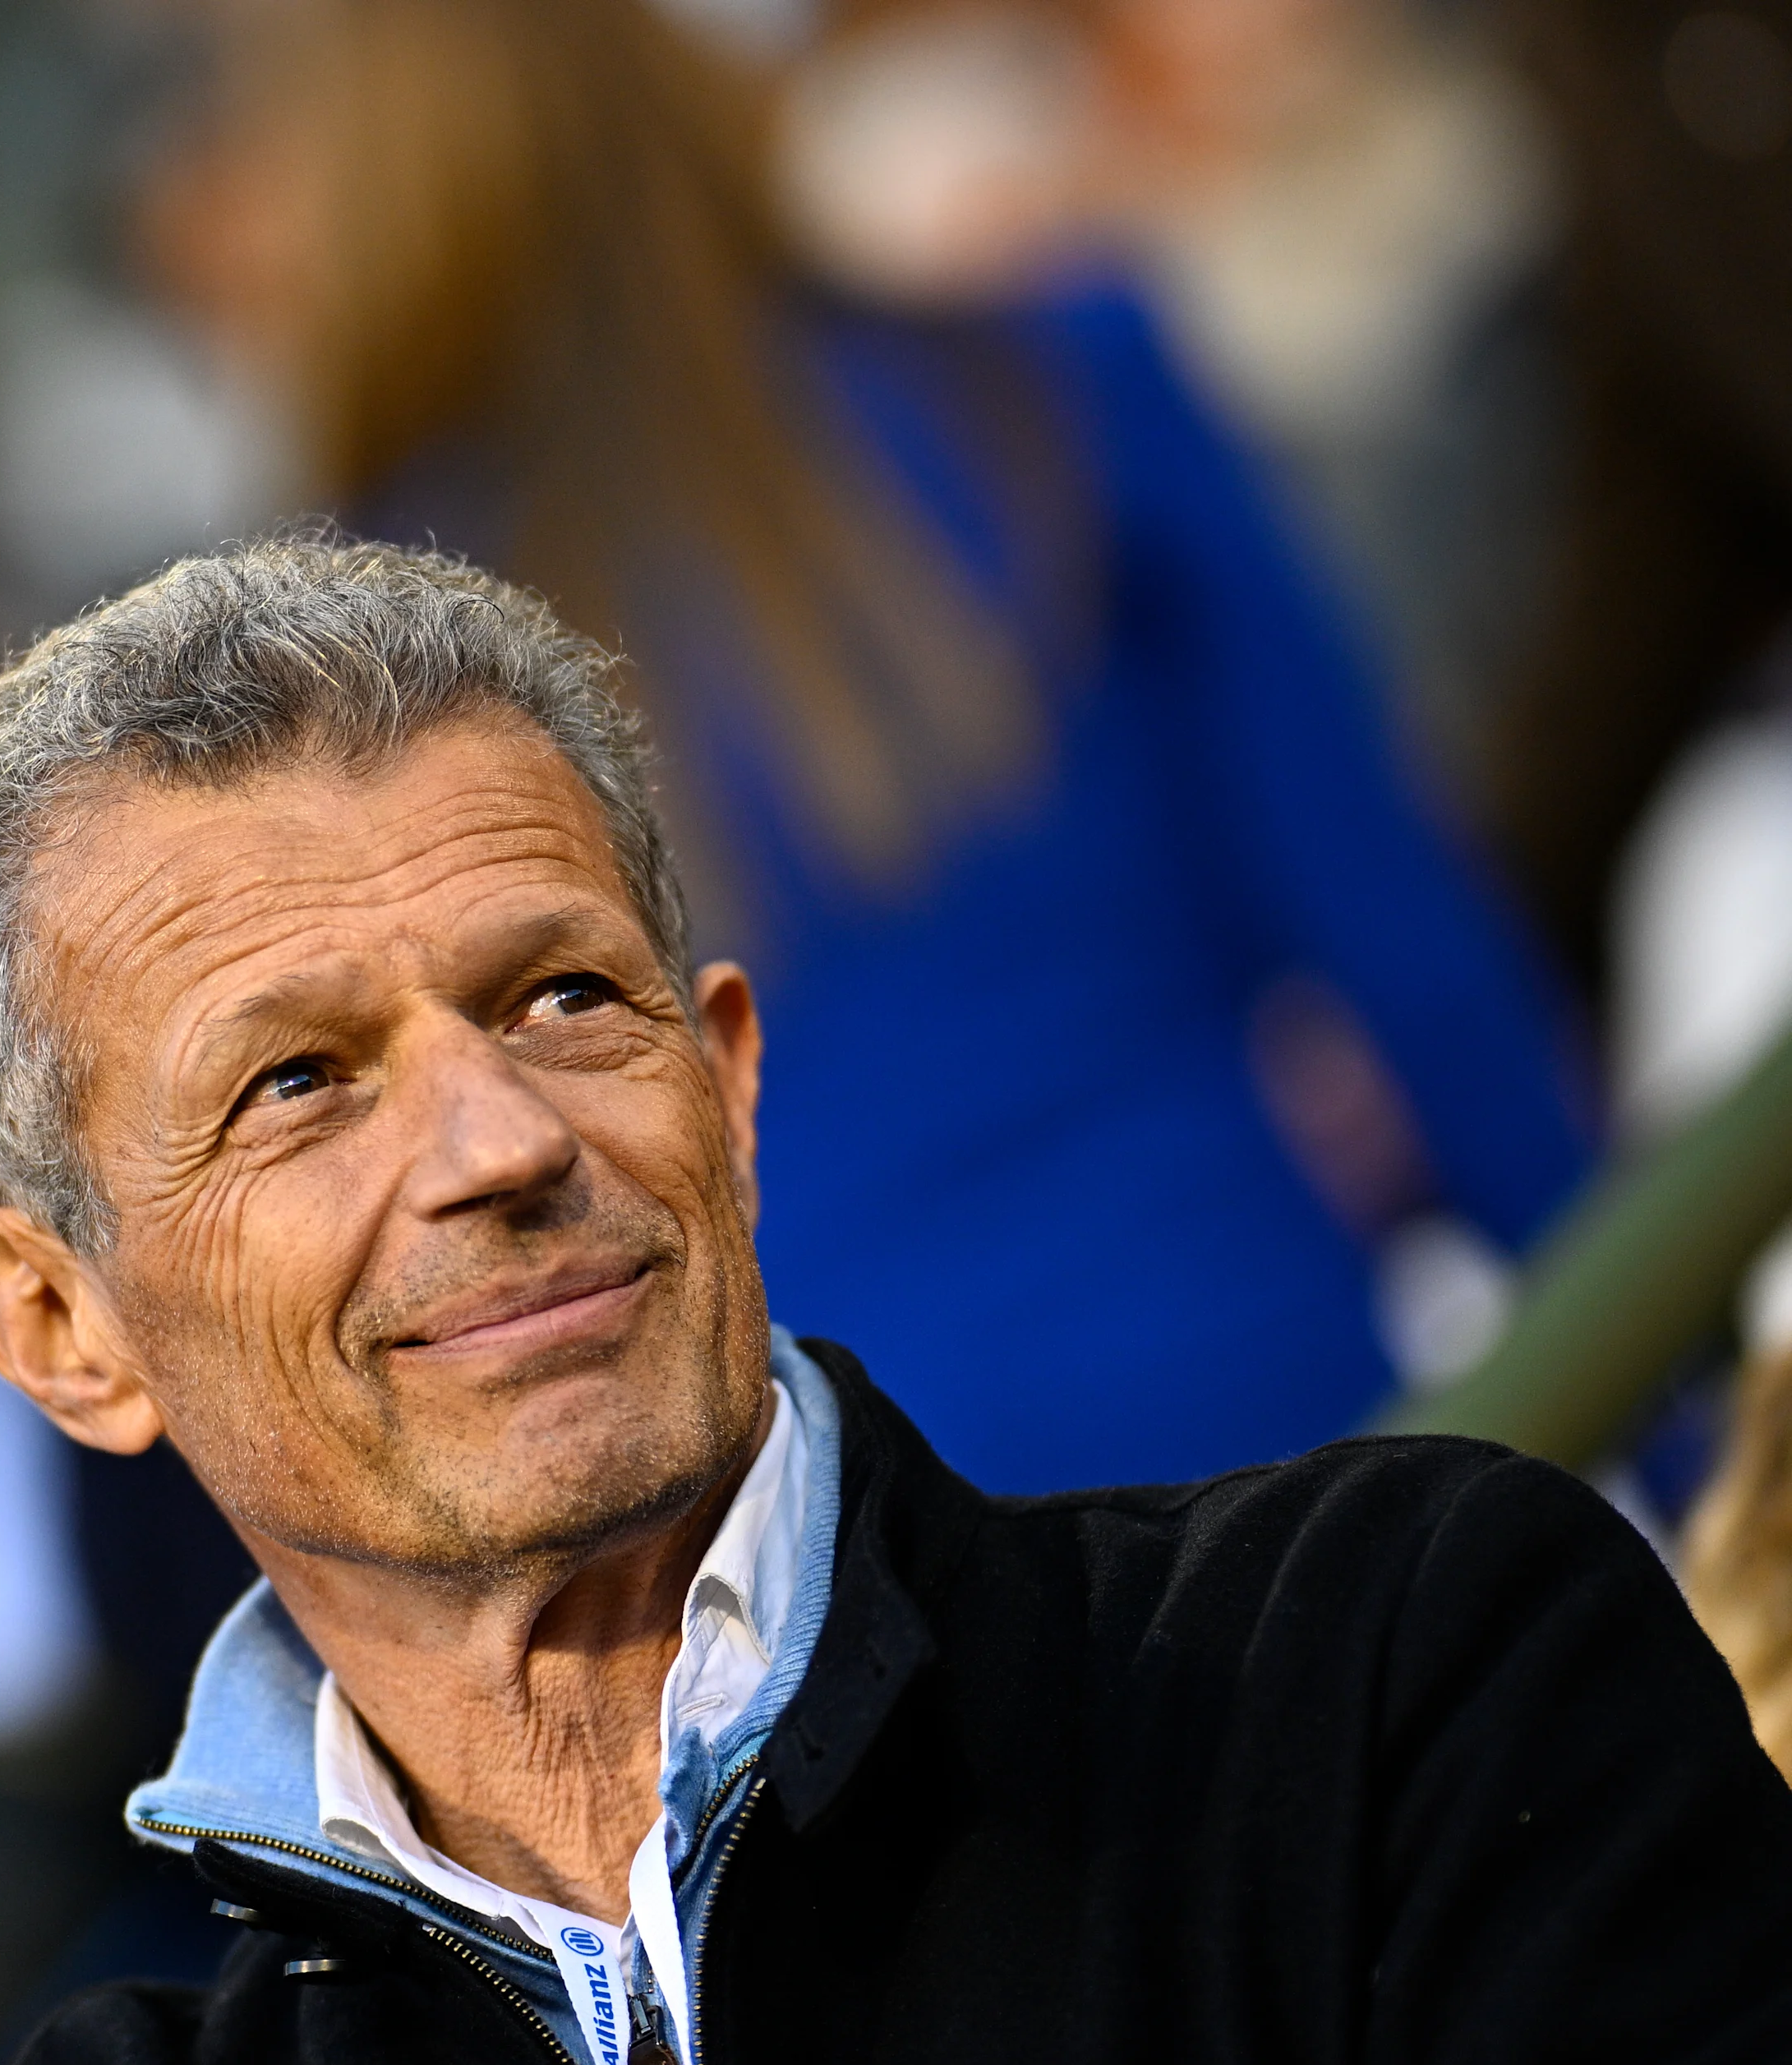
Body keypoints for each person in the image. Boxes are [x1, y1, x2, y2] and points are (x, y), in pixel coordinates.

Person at [0, 536, 1792, 2065]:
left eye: (560, 998)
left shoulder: (1402, 1666)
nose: (499, 1139)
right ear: (57, 1324)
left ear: (724, 1079)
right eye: (297, 1081)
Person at [133, 0, 1592, 1490]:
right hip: (1266, 1419)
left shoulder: (373, 659)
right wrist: (1676, 1440)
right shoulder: (1058, 386)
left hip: (829, 1547)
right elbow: (1418, 962)